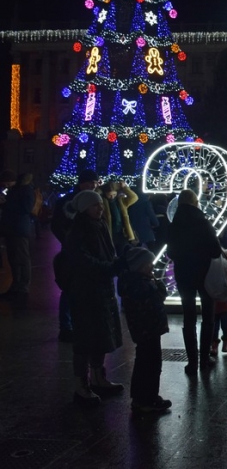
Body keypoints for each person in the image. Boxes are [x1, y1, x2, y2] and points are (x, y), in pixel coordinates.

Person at [64, 190, 126, 406]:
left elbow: (106, 254)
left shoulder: (99, 226)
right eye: (95, 205)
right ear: (84, 209)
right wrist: (109, 268)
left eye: (100, 204)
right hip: (85, 290)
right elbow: (82, 262)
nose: (100, 208)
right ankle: (82, 385)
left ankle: (99, 378)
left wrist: (114, 264)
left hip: (101, 287)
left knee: (100, 334)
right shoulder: (79, 230)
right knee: (85, 338)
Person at [165, 189, 222, 375]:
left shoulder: (175, 224)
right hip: (205, 274)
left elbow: (171, 252)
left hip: (183, 274)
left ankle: (192, 362)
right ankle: (204, 359)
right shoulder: (203, 222)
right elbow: (215, 250)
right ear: (196, 202)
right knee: (208, 316)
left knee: (188, 317)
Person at [117, 247, 171, 413]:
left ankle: (140, 398)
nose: (151, 267)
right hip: (149, 328)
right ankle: (148, 398)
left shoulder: (134, 281)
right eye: (148, 263)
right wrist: (156, 283)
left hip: (144, 329)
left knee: (144, 362)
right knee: (151, 364)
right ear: (140, 266)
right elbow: (159, 297)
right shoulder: (140, 284)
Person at [51, 169, 100, 342]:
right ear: (82, 183)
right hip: (74, 252)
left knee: (80, 289)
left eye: (95, 182)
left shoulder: (95, 200)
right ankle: (67, 326)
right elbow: (57, 224)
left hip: (87, 250)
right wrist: (69, 242)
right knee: (71, 288)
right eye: (90, 182)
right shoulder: (69, 202)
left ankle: (76, 325)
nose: (93, 186)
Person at [1, 172, 35, 295]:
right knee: (14, 258)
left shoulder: (25, 190)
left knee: (21, 257)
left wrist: (6, 204)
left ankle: (23, 285)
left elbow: (25, 208)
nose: (4, 185)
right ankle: (17, 284)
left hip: (18, 229)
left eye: (5, 182)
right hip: (13, 228)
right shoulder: (16, 190)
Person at [98, 180, 138, 252]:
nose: (112, 197)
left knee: (123, 253)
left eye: (114, 194)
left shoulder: (121, 201)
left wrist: (125, 188)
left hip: (122, 233)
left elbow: (134, 197)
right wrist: (99, 189)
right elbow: (95, 194)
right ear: (105, 194)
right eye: (109, 195)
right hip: (109, 233)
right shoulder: (101, 202)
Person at [127, 184, 159, 251]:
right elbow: (152, 217)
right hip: (146, 232)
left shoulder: (129, 202)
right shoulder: (146, 203)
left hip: (133, 232)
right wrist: (156, 224)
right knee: (152, 253)